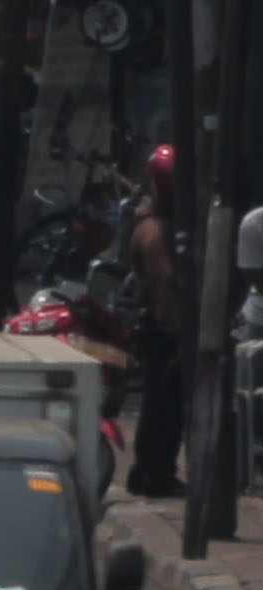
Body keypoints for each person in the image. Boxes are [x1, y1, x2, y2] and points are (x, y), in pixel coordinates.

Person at [126, 143, 188, 497]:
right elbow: (166, 287)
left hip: (158, 327)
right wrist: (177, 333)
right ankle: (154, 473)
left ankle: (152, 470)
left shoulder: (153, 221)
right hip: (161, 330)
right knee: (163, 406)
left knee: (162, 405)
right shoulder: (155, 232)